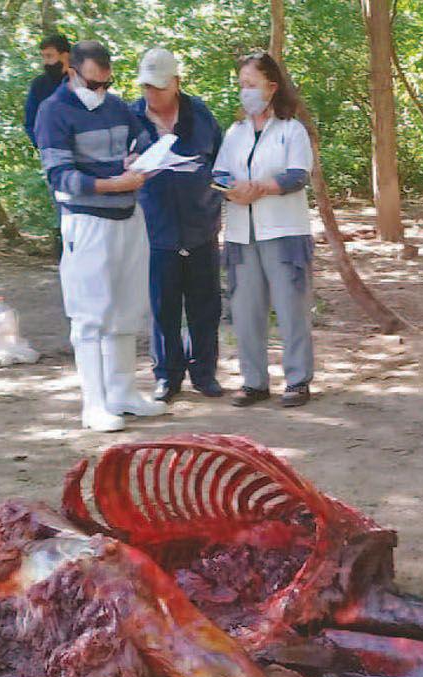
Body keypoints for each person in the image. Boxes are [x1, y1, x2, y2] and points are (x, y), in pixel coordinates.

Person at [35, 40, 166, 431]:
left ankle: (123, 392)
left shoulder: (117, 107)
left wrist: (141, 164)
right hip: (87, 222)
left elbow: (146, 144)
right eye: (93, 84)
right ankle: (94, 404)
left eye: (106, 83)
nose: (100, 91)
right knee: (91, 314)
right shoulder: (52, 111)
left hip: (129, 218)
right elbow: (61, 176)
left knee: (127, 309)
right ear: (71, 72)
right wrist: (114, 183)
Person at [213, 51, 317, 409]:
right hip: (242, 233)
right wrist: (231, 189)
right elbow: (219, 173)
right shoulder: (235, 132)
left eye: (251, 84)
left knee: (291, 309)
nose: (245, 92)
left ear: (271, 87)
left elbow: (298, 174)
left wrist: (261, 187)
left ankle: (298, 380)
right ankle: (253, 381)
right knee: (246, 310)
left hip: (284, 231)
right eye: (241, 85)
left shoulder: (291, 129)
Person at [132, 48, 226, 402]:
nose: (152, 94)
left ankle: (204, 372)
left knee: (205, 306)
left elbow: (220, 162)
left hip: (201, 224)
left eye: (158, 86)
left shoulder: (200, 115)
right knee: (163, 307)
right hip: (154, 230)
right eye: (146, 87)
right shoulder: (131, 117)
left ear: (176, 83)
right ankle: (167, 376)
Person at [24, 34, 71, 149]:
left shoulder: (84, 80)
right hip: (52, 151)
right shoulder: (39, 84)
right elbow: (30, 121)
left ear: (65, 56)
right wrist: (43, 145)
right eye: (43, 57)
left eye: (49, 56)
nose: (45, 62)